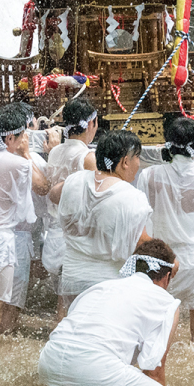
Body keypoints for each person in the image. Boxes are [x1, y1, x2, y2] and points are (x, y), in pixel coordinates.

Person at [37, 239, 189, 386]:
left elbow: (85, 354)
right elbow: (154, 372)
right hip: (92, 366)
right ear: (166, 278)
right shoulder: (165, 302)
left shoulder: (101, 287)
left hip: (50, 361)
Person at [136, 117, 194, 348]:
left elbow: (143, 219)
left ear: (168, 144)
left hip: (164, 261)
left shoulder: (151, 175)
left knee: (156, 333)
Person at [0, 106, 49, 341]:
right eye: (22, 135)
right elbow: (43, 187)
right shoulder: (17, 163)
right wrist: (25, 154)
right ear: (10, 137)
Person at [55, 130, 153, 314]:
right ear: (125, 161)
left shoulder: (75, 180)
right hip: (106, 281)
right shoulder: (132, 196)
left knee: (73, 329)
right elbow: (141, 243)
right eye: (137, 157)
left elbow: (53, 194)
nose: (139, 164)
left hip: (72, 279)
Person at [42, 99, 99, 304]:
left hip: (54, 235)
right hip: (75, 237)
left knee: (62, 300)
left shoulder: (55, 152)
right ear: (91, 123)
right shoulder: (87, 157)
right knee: (75, 304)